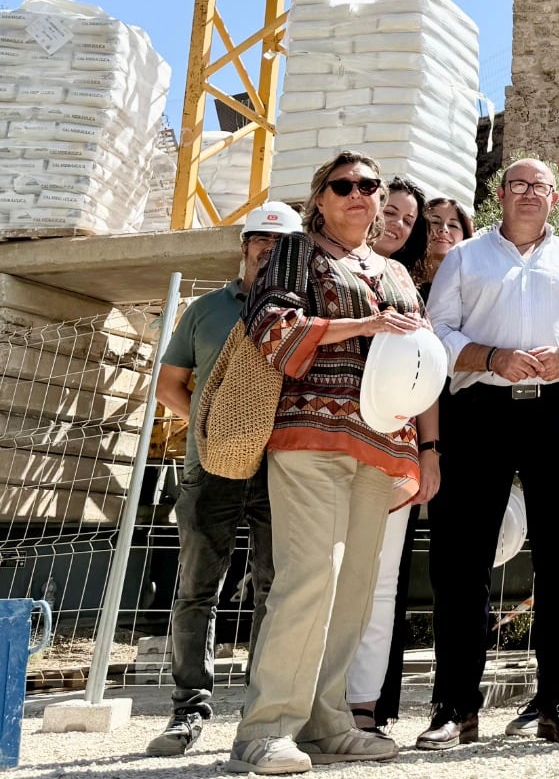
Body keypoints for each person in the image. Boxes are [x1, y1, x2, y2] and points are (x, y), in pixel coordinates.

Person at [226, 152, 428, 774]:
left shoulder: (394, 270)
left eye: (370, 186)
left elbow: (418, 357)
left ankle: (326, 721)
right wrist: (363, 324)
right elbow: (271, 328)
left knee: (355, 587)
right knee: (311, 575)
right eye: (345, 186)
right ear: (320, 198)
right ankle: (265, 731)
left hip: (381, 441)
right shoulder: (295, 251)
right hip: (309, 436)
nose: (360, 195)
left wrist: (426, 447)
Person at [420, 159, 559, 748]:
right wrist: (491, 358)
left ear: (555, 198)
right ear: (500, 194)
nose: (529, 194)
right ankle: (455, 707)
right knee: (466, 564)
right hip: (479, 414)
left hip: (557, 410)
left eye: (539, 187)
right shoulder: (464, 257)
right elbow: (438, 333)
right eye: (518, 185)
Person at [146, 202, 302, 757]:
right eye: (261, 239)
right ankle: (188, 711)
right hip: (207, 469)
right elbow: (170, 385)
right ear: (245, 243)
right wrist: (219, 430)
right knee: (196, 590)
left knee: (274, 591)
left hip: (280, 471)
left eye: (282, 243)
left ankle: (259, 717)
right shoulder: (207, 310)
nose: (269, 249)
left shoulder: (299, 312)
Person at [344, 180, 445, 740]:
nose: (399, 224)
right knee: (324, 576)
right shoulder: (322, 268)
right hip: (328, 445)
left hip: (393, 449)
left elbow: (426, 376)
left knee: (382, 583)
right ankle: (313, 702)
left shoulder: (406, 286)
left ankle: (363, 705)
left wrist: (429, 451)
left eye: (411, 219)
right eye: (394, 212)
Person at [415, 197, 475, 301]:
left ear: (464, 236)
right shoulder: (400, 275)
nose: (443, 229)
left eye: (453, 225)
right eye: (435, 222)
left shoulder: (472, 287)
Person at [375, 176, 428, 280]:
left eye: (407, 221)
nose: (399, 223)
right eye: (390, 213)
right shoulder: (336, 263)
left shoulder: (406, 285)